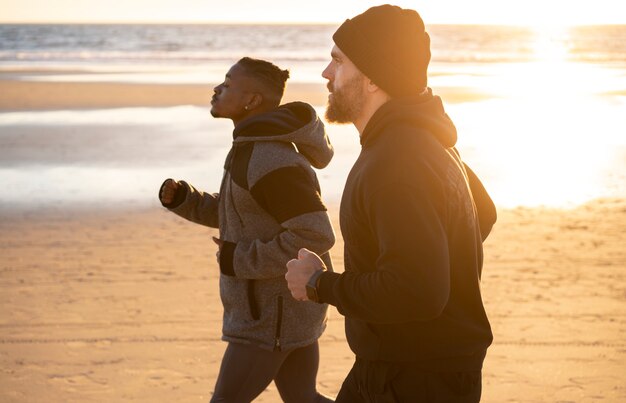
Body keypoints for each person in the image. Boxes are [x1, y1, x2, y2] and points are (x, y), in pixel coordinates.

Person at [285, 4, 497, 402]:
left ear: (371, 79)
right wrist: (430, 249)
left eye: (337, 61)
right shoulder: (426, 139)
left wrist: (319, 284)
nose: (326, 74)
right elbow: (480, 214)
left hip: (413, 378)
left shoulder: (397, 160)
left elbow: (417, 291)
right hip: (411, 365)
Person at [159, 57, 335, 403]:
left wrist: (238, 259)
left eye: (226, 84)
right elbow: (241, 214)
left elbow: (314, 235)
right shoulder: (249, 147)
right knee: (303, 399)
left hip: (271, 317)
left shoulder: (272, 159)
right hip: (277, 310)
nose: (216, 89)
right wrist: (187, 200)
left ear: (251, 100)